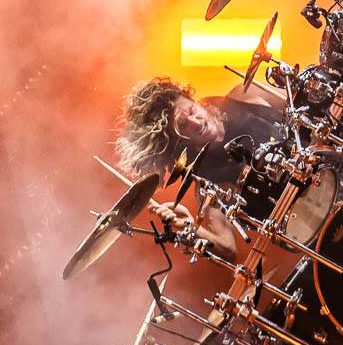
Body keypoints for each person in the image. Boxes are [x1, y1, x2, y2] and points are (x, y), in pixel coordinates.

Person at [114, 76, 288, 257]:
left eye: (191, 110)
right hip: (303, 225)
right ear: (179, 140)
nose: (196, 123)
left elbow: (305, 105)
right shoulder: (207, 184)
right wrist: (191, 227)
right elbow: (228, 248)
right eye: (183, 126)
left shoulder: (244, 95)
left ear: (193, 99)